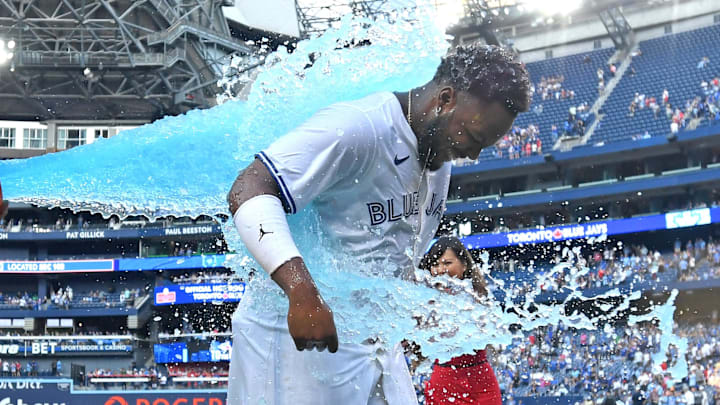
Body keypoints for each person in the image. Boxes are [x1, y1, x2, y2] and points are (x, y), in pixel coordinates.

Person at [226, 43, 530, 405]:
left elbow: (383, 256)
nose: (474, 154)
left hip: (374, 342)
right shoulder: (358, 126)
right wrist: (301, 291)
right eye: (474, 138)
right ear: (445, 100)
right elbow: (249, 187)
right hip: (295, 337)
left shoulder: (439, 154)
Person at [418, 236, 500, 405]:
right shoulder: (423, 301)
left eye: (447, 263)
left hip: (481, 384)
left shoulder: (480, 299)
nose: (440, 270)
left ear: (464, 265)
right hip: (443, 385)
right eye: (435, 264)